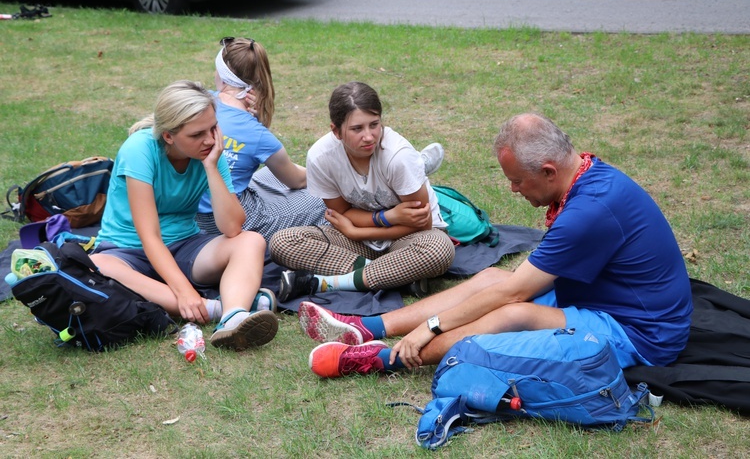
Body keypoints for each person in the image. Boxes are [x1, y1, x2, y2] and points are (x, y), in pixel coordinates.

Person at [299, 112, 693, 377]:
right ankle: (367, 327)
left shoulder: (589, 212)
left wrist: (429, 328)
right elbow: (506, 286)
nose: (513, 189)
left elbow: (514, 295)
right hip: (602, 300)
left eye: (518, 181)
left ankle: (384, 359)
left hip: (638, 333)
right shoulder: (587, 175)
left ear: (549, 170)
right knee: (490, 278)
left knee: (512, 314)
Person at [195, 37, 445, 243]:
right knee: (322, 198)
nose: (368, 135)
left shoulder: (200, 102)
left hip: (199, 207)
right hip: (232, 216)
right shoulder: (257, 134)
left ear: (220, 73)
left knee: (271, 177)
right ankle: (415, 167)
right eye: (358, 128)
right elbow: (296, 179)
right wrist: (327, 172)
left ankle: (413, 165)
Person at [90, 80, 278, 351]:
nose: (210, 139)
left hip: (184, 245)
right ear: (168, 135)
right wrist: (185, 292)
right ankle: (219, 308)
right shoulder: (138, 150)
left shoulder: (210, 152)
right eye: (197, 134)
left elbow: (233, 227)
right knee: (98, 265)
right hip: (127, 251)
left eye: (213, 128)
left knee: (251, 241)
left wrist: (212, 167)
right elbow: (149, 236)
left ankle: (234, 318)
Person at [268, 81, 456, 302]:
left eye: (374, 124)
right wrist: (387, 217)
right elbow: (341, 214)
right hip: (357, 242)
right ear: (336, 131)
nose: (368, 136)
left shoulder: (399, 156)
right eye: (357, 129)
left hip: (410, 238)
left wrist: (359, 232)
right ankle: (394, 274)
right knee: (283, 242)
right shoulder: (321, 157)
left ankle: (322, 283)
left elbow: (421, 224)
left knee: (438, 249)